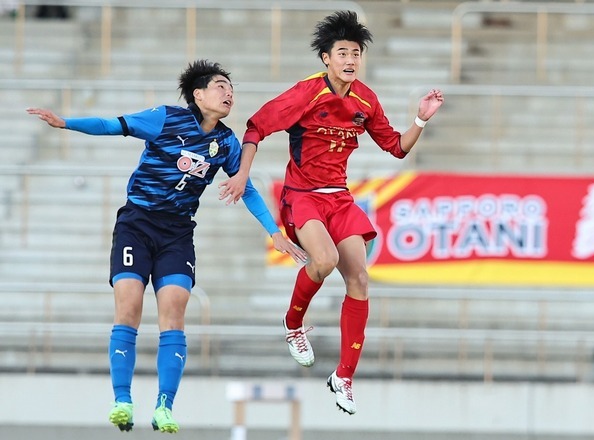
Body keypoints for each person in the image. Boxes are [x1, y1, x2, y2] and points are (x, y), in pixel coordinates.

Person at [26, 59, 306, 433]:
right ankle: (122, 400)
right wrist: (66, 123)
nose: (228, 94)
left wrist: (274, 232)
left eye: (231, 89)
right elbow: (114, 125)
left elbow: (247, 188)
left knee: (173, 314)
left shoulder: (225, 142)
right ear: (199, 94)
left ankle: (164, 406)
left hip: (177, 234)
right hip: (136, 225)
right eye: (220, 86)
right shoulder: (165, 118)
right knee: (129, 307)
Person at [221, 11, 444, 415]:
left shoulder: (366, 100)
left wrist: (420, 120)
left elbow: (395, 147)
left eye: (356, 53)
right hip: (302, 195)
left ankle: (343, 376)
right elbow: (255, 127)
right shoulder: (306, 93)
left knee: (359, 276)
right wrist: (241, 174)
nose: (350, 59)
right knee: (323, 261)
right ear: (326, 57)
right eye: (342, 52)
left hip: (339, 197)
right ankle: (293, 325)